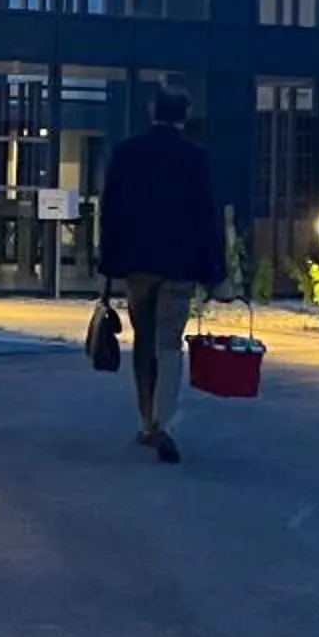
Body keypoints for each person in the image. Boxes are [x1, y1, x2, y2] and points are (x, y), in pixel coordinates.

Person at [96, 87, 229, 463]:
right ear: (183, 116)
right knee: (169, 343)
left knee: (143, 341)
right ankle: (163, 420)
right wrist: (214, 270)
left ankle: (145, 420)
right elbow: (207, 218)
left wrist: (108, 264)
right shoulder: (195, 158)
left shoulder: (126, 154)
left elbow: (112, 212)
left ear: (152, 111)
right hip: (180, 266)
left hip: (138, 264)